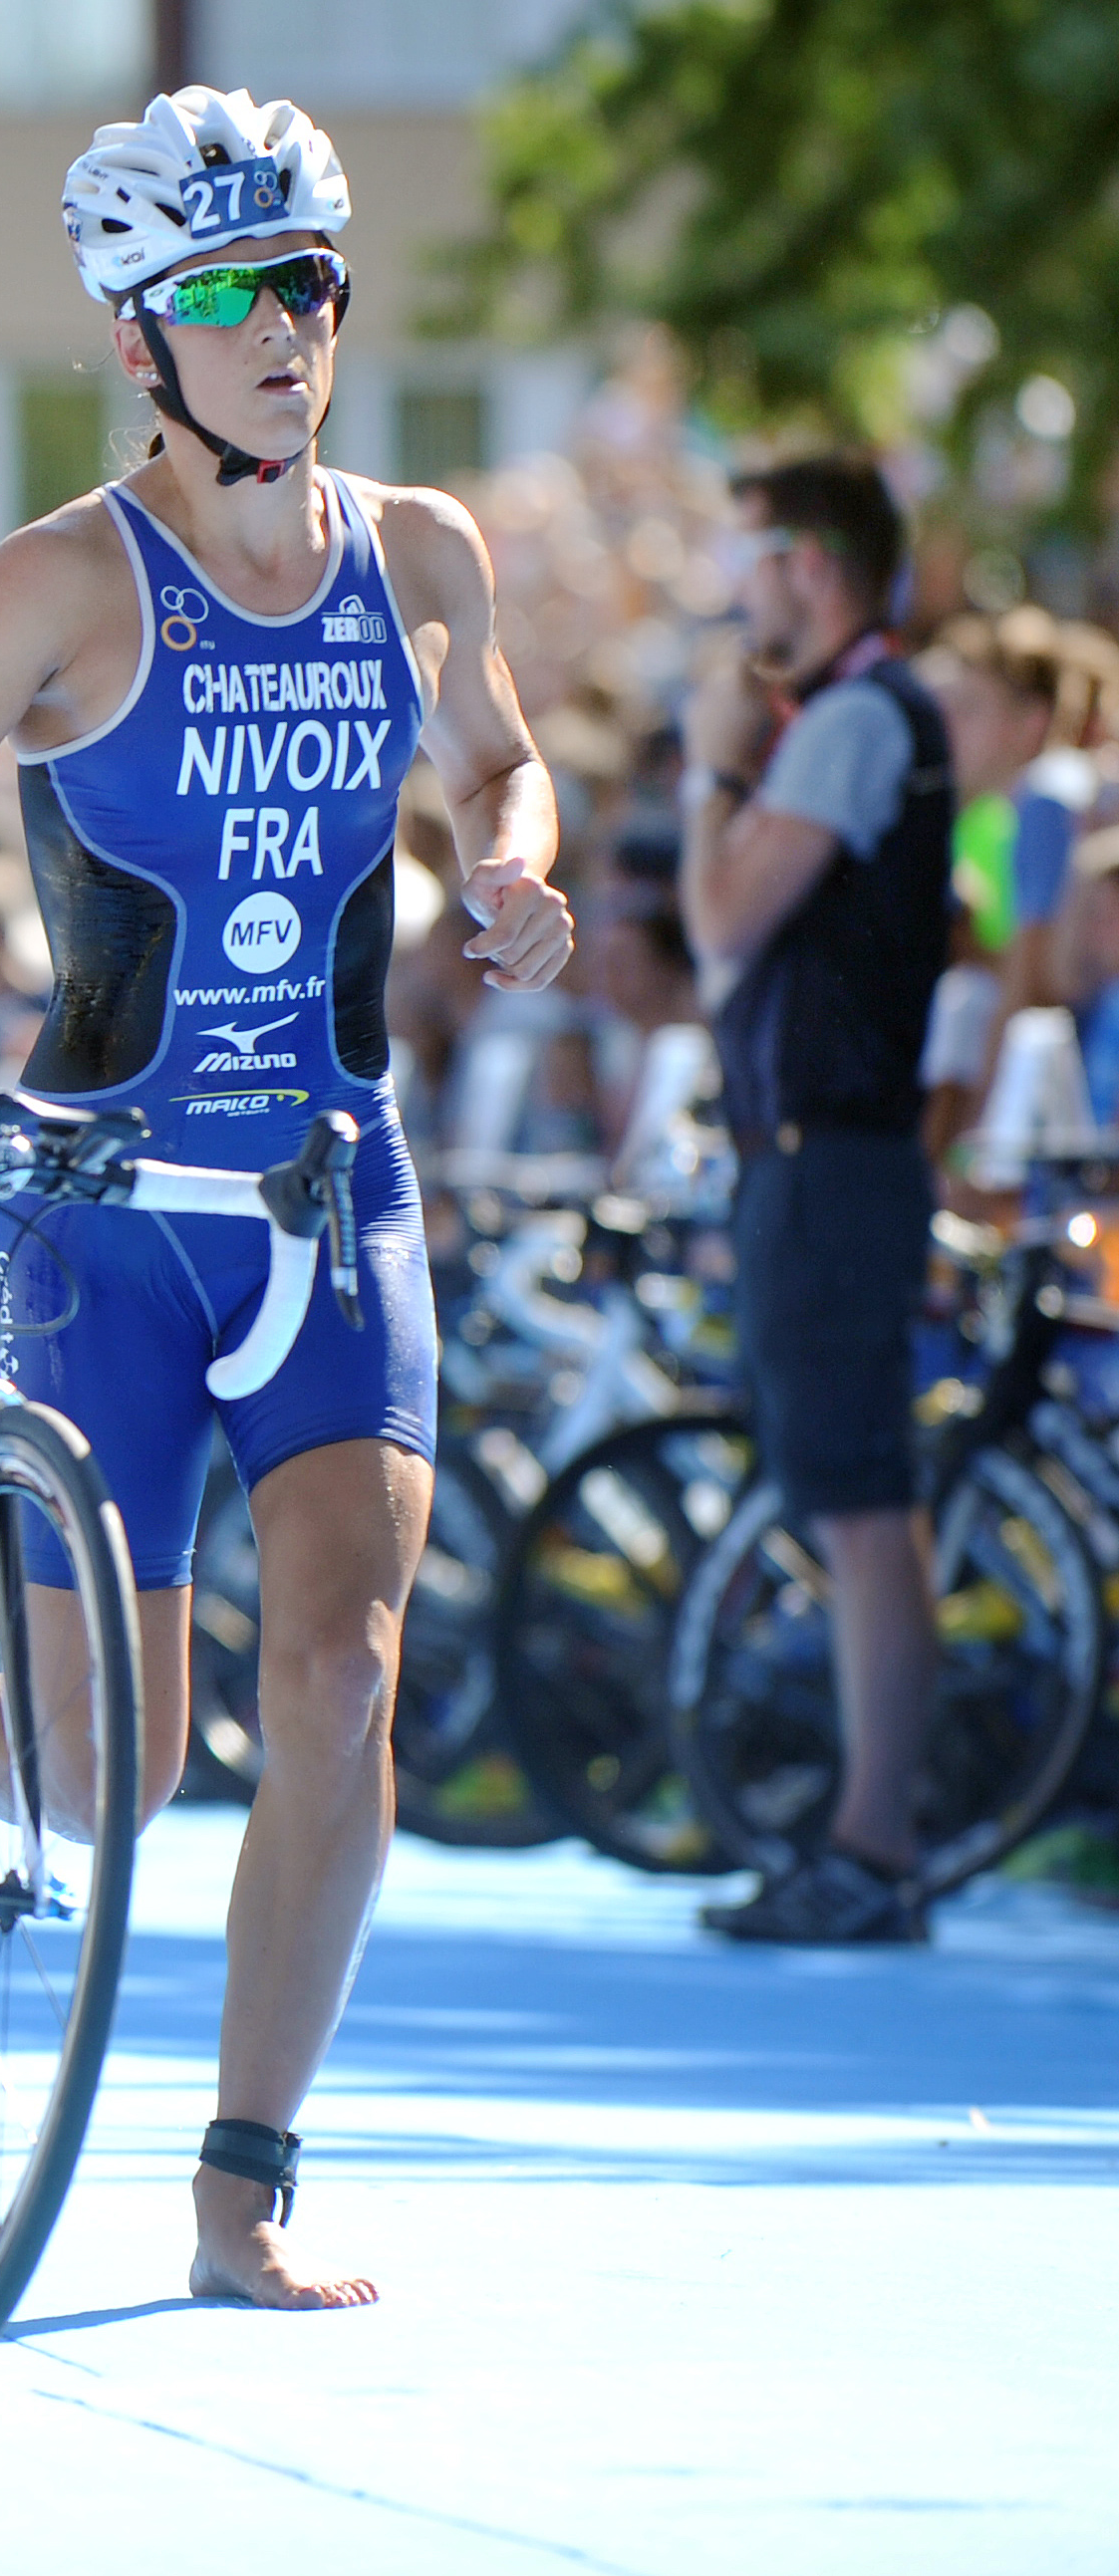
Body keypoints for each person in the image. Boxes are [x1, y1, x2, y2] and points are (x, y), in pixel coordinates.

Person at [0, 88, 572, 2305]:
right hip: (104, 1217)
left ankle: (238, 2187)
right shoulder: (58, 582)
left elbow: (494, 763)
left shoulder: (421, 549)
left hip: (331, 1203)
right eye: (220, 296)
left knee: (343, 1681)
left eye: (308, 286)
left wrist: (521, 870)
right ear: (132, 341)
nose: (281, 329)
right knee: (114, 1787)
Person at [677, 456, 951, 1945]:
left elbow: (724, 919)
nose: (739, 590)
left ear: (811, 565)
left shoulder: (852, 718)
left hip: (836, 1155)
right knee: (848, 1499)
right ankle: (870, 1837)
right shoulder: (858, 713)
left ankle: (874, 1841)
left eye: (755, 559)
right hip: (815, 1154)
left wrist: (718, 763)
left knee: (859, 1506)